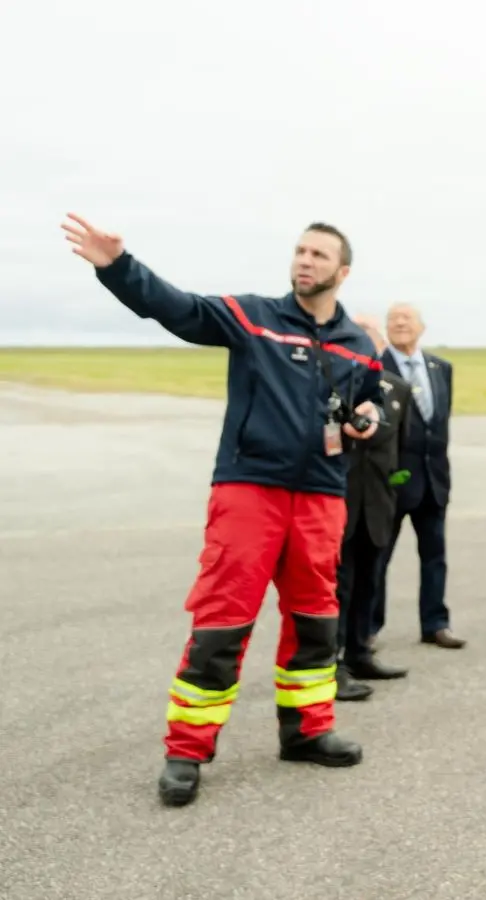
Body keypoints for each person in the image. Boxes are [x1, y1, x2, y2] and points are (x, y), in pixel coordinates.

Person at [62, 213, 384, 808]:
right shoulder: (254, 317)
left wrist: (367, 420)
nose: (304, 260)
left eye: (318, 254)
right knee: (222, 619)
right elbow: (179, 309)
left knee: (317, 619)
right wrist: (118, 267)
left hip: (321, 496)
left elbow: (367, 404)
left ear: (342, 271)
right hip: (249, 489)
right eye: (299, 251)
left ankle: (307, 731)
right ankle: (186, 750)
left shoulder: (360, 346)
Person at [376, 303, 466, 650]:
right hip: (394, 481)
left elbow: (440, 423)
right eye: (393, 319)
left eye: (407, 318)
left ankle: (435, 624)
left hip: (434, 481)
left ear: (421, 327)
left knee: (434, 557)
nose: (400, 323)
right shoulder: (375, 369)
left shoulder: (440, 368)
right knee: (378, 559)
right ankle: (368, 628)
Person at [335, 316, 414, 702]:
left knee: (370, 583)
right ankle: (331, 666)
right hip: (340, 501)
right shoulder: (331, 387)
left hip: (379, 504)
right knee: (339, 587)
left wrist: (396, 490)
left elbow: (406, 452)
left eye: (371, 341)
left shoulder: (398, 389)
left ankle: (361, 653)